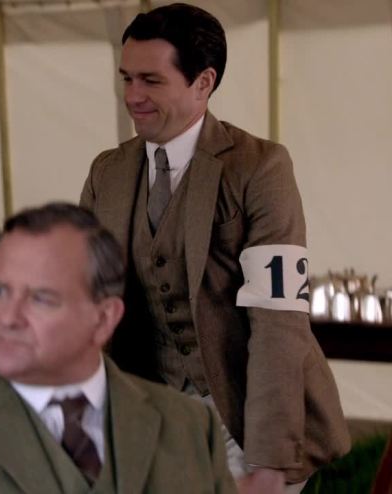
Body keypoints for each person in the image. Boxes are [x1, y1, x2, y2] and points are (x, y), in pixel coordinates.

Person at [79, 4, 350, 493]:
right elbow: (84, 299)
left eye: (150, 81)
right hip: (148, 413)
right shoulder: (106, 172)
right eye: (126, 79)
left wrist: (268, 461)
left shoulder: (260, 168)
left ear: (203, 82)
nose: (133, 96)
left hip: (244, 415)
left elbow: (278, 319)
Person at [0, 202, 237, 494]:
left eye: (40, 298)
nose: (8, 318)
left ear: (103, 319)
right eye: (0, 290)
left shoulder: (188, 425)